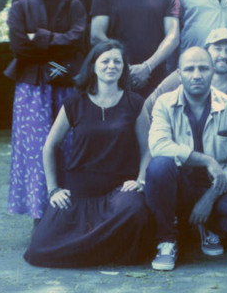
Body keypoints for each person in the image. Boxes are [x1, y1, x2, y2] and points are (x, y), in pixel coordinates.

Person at [24, 40, 153, 267]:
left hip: (119, 192)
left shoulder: (135, 103)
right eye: (105, 61)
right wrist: (54, 189)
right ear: (93, 66)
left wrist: (141, 180)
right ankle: (105, 251)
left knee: (134, 210)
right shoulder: (74, 103)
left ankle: (84, 250)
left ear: (124, 67)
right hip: (79, 193)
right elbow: (49, 147)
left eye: (117, 61)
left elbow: (147, 148)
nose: (111, 66)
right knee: (38, 249)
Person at [146, 47, 227, 270]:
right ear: (179, 74)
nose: (196, 75)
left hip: (220, 187)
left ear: (212, 71)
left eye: (203, 68)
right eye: (189, 69)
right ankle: (167, 240)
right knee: (159, 166)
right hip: (181, 186)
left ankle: (210, 227)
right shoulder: (164, 103)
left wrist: (210, 197)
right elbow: (158, 145)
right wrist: (206, 160)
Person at [5, 0, 88, 220]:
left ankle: (70, 213)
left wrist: (40, 37)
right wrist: (55, 47)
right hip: (32, 88)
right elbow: (20, 48)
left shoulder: (74, 5)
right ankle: (40, 215)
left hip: (64, 82)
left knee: (69, 144)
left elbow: (76, 42)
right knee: (36, 148)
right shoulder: (20, 8)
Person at [137, 27, 227, 160]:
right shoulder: (179, 78)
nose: (223, 55)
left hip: (223, 163)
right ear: (206, 52)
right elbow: (145, 110)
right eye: (217, 49)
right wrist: (150, 148)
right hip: (178, 160)